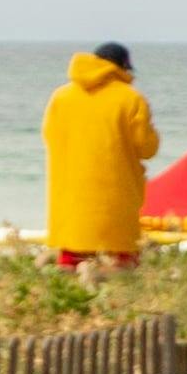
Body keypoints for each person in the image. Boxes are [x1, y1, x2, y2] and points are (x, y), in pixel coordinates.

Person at [41, 44, 155, 268]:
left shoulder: (61, 97)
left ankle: (72, 269)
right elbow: (147, 148)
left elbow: (50, 136)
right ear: (123, 66)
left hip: (71, 192)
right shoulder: (131, 99)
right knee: (123, 261)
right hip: (115, 191)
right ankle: (101, 273)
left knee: (70, 256)